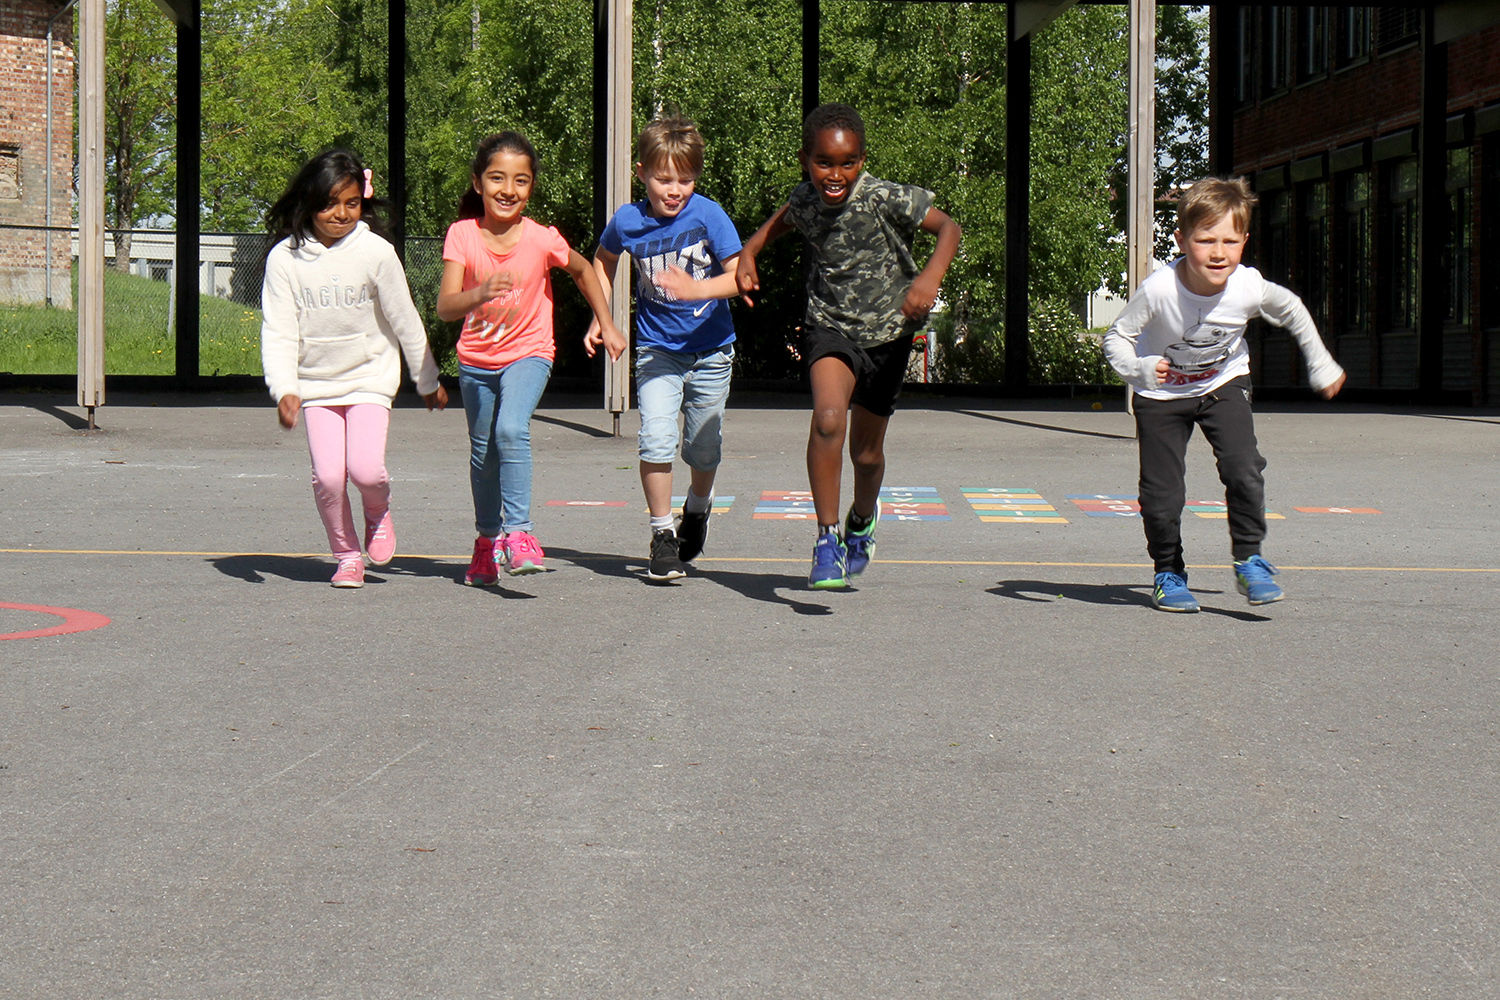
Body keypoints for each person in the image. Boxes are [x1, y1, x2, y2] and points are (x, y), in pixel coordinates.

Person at [735, 103, 961, 589]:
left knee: (867, 456)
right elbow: (776, 225)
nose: (835, 174)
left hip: (889, 333)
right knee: (829, 418)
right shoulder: (805, 200)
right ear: (805, 159)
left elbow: (949, 228)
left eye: (847, 162)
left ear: (861, 160)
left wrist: (929, 278)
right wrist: (749, 252)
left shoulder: (884, 197)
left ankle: (862, 517)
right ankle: (825, 541)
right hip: (829, 326)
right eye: (824, 163)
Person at [1103, 176, 1346, 613]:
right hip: (1161, 394)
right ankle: (1168, 572)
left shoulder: (1247, 286)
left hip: (1223, 383)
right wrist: (1138, 367)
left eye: (1230, 241)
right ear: (1181, 239)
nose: (1218, 253)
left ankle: (1249, 559)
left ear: (1244, 241)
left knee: (1243, 469)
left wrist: (1322, 362)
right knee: (1162, 495)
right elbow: (1116, 338)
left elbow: (1291, 309)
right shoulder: (1159, 290)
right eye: (1206, 240)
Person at [438, 131, 626, 585]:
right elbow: (446, 307)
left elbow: (583, 270)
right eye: (497, 178)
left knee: (510, 429)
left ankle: (520, 534)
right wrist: (479, 293)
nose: (508, 189)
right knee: (483, 454)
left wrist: (608, 320)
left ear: (531, 186)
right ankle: (487, 542)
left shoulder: (541, 238)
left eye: (520, 181)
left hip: (530, 352)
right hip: (477, 361)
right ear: (478, 182)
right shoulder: (463, 236)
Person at [260, 149, 448, 589]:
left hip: (369, 378)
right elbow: (279, 330)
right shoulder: (284, 260)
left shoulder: (376, 252)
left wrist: (427, 379)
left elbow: (405, 319)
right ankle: (346, 556)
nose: (341, 214)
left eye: (351, 203)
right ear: (307, 203)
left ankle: (377, 510)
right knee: (327, 476)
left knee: (366, 471)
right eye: (328, 204)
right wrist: (285, 388)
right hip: (317, 385)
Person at [587, 116, 743, 582]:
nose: (675, 189)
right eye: (663, 179)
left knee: (703, 448)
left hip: (712, 349)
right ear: (641, 172)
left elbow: (740, 276)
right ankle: (661, 536)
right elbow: (603, 260)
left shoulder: (709, 215)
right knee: (656, 435)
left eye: (685, 179)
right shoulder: (628, 221)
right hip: (658, 349)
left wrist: (698, 291)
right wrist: (602, 316)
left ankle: (696, 509)